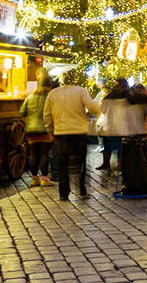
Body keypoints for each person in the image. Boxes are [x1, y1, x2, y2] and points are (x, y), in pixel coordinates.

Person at [43, 69, 100, 201]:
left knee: (62, 163)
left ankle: (63, 193)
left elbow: (47, 114)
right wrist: (87, 114)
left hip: (61, 132)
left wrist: (50, 129)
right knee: (81, 162)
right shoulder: (81, 91)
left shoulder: (53, 93)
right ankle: (81, 190)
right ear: (75, 78)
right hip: (79, 131)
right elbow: (93, 108)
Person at [20, 77, 54, 186]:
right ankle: (44, 179)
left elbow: (22, 112)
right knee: (44, 154)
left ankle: (34, 179)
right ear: (49, 86)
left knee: (33, 155)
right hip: (44, 130)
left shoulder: (30, 97)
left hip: (31, 130)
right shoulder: (48, 98)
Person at [98, 79, 129, 173]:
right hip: (113, 123)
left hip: (121, 123)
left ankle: (120, 163)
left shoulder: (125, 96)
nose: (116, 87)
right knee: (108, 143)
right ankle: (107, 163)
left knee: (120, 145)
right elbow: (103, 107)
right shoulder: (118, 95)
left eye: (117, 85)